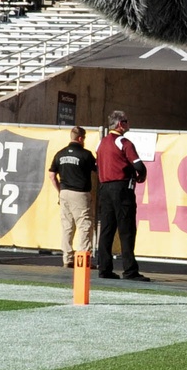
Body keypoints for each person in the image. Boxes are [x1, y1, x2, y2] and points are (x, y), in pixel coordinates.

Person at [94, 110, 148, 280]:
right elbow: (139, 166)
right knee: (127, 230)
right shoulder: (123, 141)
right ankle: (130, 270)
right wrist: (141, 175)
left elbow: (98, 166)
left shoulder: (101, 143)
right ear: (120, 124)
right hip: (122, 188)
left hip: (104, 188)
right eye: (126, 121)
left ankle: (104, 268)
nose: (128, 124)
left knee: (107, 230)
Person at [50, 125, 98, 271]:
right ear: (81, 138)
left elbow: (52, 175)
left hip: (64, 192)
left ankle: (67, 258)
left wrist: (60, 190)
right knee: (85, 226)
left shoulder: (60, 154)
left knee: (67, 227)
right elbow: (99, 171)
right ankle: (82, 260)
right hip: (80, 193)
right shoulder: (86, 154)